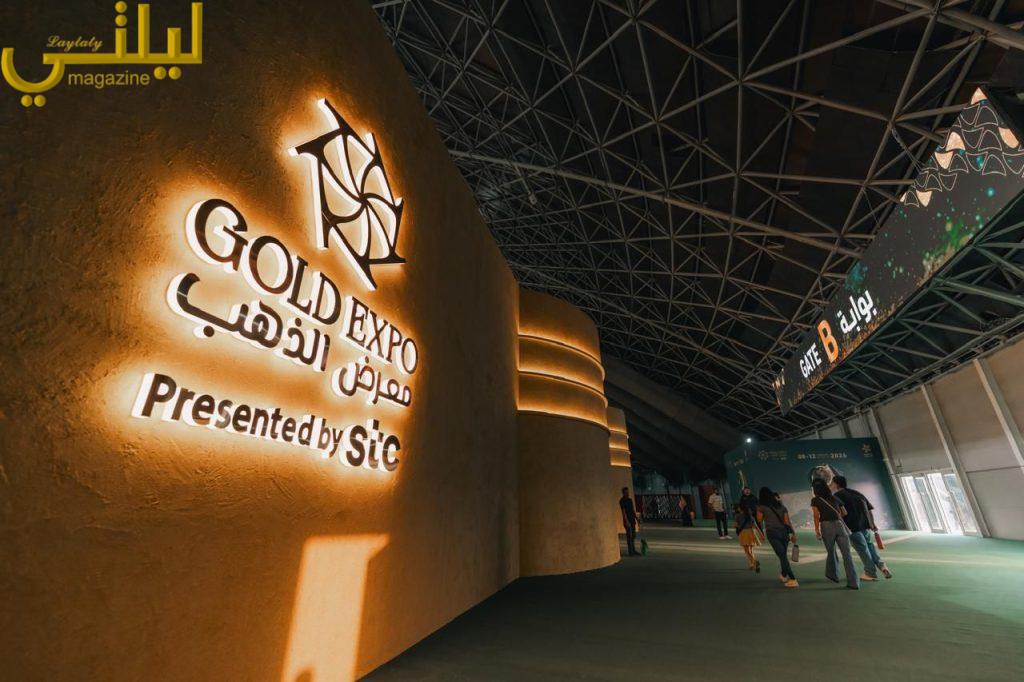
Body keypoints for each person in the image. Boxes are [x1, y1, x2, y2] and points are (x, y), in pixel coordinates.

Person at [832, 475, 893, 581]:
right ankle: (882, 566)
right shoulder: (857, 493)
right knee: (870, 546)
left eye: (832, 483)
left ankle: (870, 573)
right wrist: (872, 524)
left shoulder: (836, 496)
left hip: (851, 527)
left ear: (836, 484)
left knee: (863, 550)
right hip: (865, 525)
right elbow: (869, 510)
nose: (831, 485)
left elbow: (839, 513)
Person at [811, 480, 859, 589]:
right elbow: (844, 512)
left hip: (826, 526)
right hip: (840, 525)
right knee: (847, 555)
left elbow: (816, 515)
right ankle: (854, 583)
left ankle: (833, 575)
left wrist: (817, 530)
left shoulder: (815, 500)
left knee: (831, 551)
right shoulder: (835, 498)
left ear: (815, 489)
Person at [756, 487, 798, 587]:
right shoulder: (781, 506)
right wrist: (793, 533)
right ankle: (783, 575)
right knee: (783, 555)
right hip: (784, 533)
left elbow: (759, 520)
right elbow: (787, 522)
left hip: (773, 533)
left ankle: (793, 579)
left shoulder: (761, 507)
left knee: (782, 556)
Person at [734, 504, 760, 572]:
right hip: (751, 532)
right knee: (751, 550)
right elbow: (755, 526)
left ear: (740, 509)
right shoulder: (750, 516)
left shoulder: (737, 516)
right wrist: (761, 535)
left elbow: (735, 525)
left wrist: (739, 527)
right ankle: (751, 564)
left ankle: (754, 561)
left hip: (744, 533)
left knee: (747, 551)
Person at [620, 487, 639, 556]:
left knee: (633, 535)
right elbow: (623, 512)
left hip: (632, 519)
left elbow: (632, 510)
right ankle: (630, 551)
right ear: (623, 493)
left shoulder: (630, 500)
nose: (627, 493)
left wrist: (636, 518)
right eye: (626, 492)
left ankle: (633, 550)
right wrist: (626, 521)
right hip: (627, 520)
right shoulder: (622, 501)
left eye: (628, 492)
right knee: (629, 536)